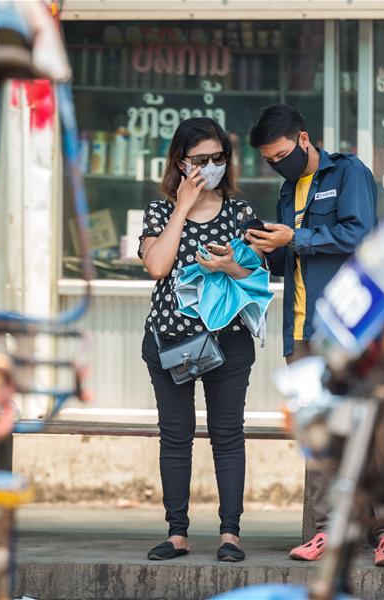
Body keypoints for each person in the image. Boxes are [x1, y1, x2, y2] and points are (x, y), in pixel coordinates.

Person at [246, 104, 384, 567]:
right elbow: (287, 260)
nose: (277, 163)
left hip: (352, 328)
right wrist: (256, 250)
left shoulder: (349, 171)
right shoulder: (285, 192)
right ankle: (326, 532)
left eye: (280, 154)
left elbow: (359, 234)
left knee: (371, 429)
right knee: (318, 436)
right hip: (302, 331)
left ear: (303, 138)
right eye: (269, 159)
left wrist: (292, 237)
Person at [139, 117, 261, 563]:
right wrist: (182, 207)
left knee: (228, 435)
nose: (210, 167)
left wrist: (231, 265)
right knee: (175, 436)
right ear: (180, 162)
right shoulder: (158, 210)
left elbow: (257, 275)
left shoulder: (240, 212)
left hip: (228, 341)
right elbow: (156, 266)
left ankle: (230, 534)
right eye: (200, 160)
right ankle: (177, 534)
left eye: (217, 159)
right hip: (172, 340)